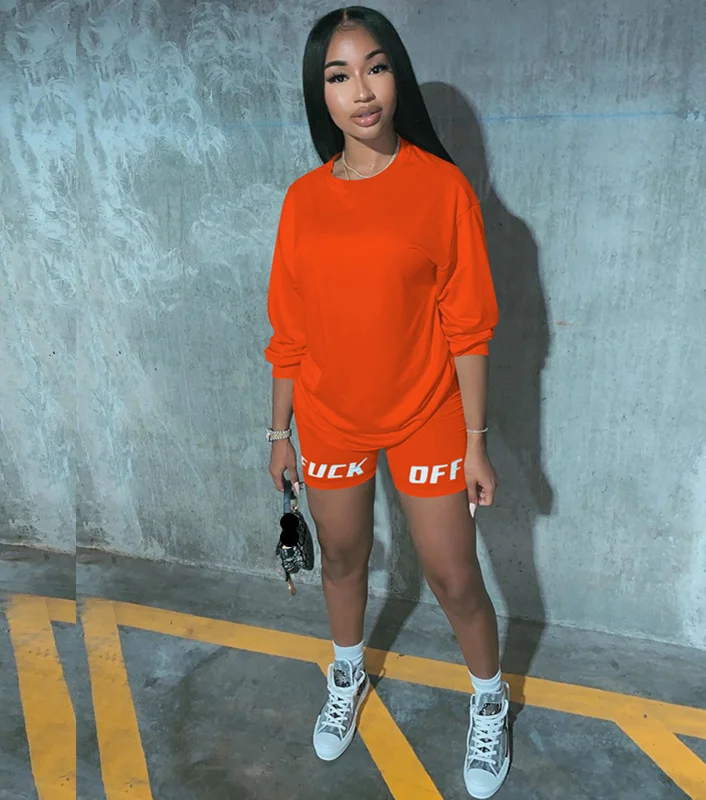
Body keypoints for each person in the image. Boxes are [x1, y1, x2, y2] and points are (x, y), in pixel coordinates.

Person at [264, 6, 508, 798]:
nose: (361, 91)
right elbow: (289, 331)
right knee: (341, 558)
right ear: (321, 93)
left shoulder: (442, 189)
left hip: (428, 414)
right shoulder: (303, 201)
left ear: (395, 74)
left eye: (375, 67)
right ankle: (347, 675)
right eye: (339, 76)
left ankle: (489, 699)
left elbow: (469, 327)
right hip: (331, 415)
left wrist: (474, 440)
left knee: (453, 577)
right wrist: (278, 433)